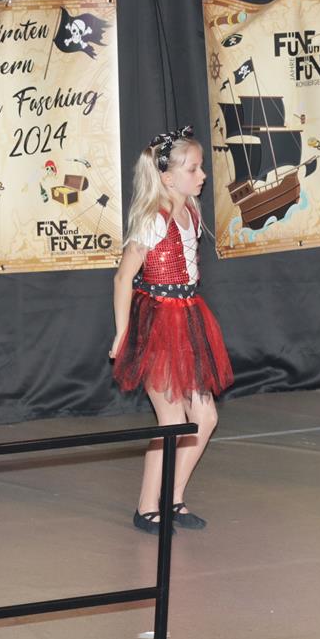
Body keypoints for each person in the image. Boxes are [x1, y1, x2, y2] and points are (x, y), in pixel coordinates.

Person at [110, 126, 233, 534]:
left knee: (205, 417)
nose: (202, 176)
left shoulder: (190, 212)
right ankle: (147, 506)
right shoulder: (153, 219)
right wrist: (122, 333)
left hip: (188, 317)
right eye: (193, 169)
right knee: (171, 421)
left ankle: (173, 497)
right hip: (158, 322)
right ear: (167, 177)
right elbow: (123, 277)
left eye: (200, 168)